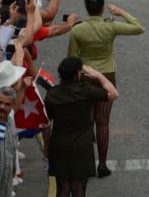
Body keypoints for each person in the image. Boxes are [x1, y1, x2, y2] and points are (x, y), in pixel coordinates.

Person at [68, 0, 143, 177]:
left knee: (86, 121)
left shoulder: (77, 29)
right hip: (107, 77)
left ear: (87, 8)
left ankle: (84, 164)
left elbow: (72, 59)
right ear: (102, 8)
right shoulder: (110, 26)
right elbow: (138, 28)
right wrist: (121, 12)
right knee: (102, 123)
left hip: (85, 77)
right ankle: (102, 165)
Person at [46, 56, 118, 193]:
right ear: (76, 74)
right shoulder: (86, 91)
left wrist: (46, 147)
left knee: (62, 187)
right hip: (82, 146)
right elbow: (113, 93)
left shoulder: (52, 94)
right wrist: (97, 75)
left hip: (59, 145)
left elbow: (45, 123)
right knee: (79, 187)